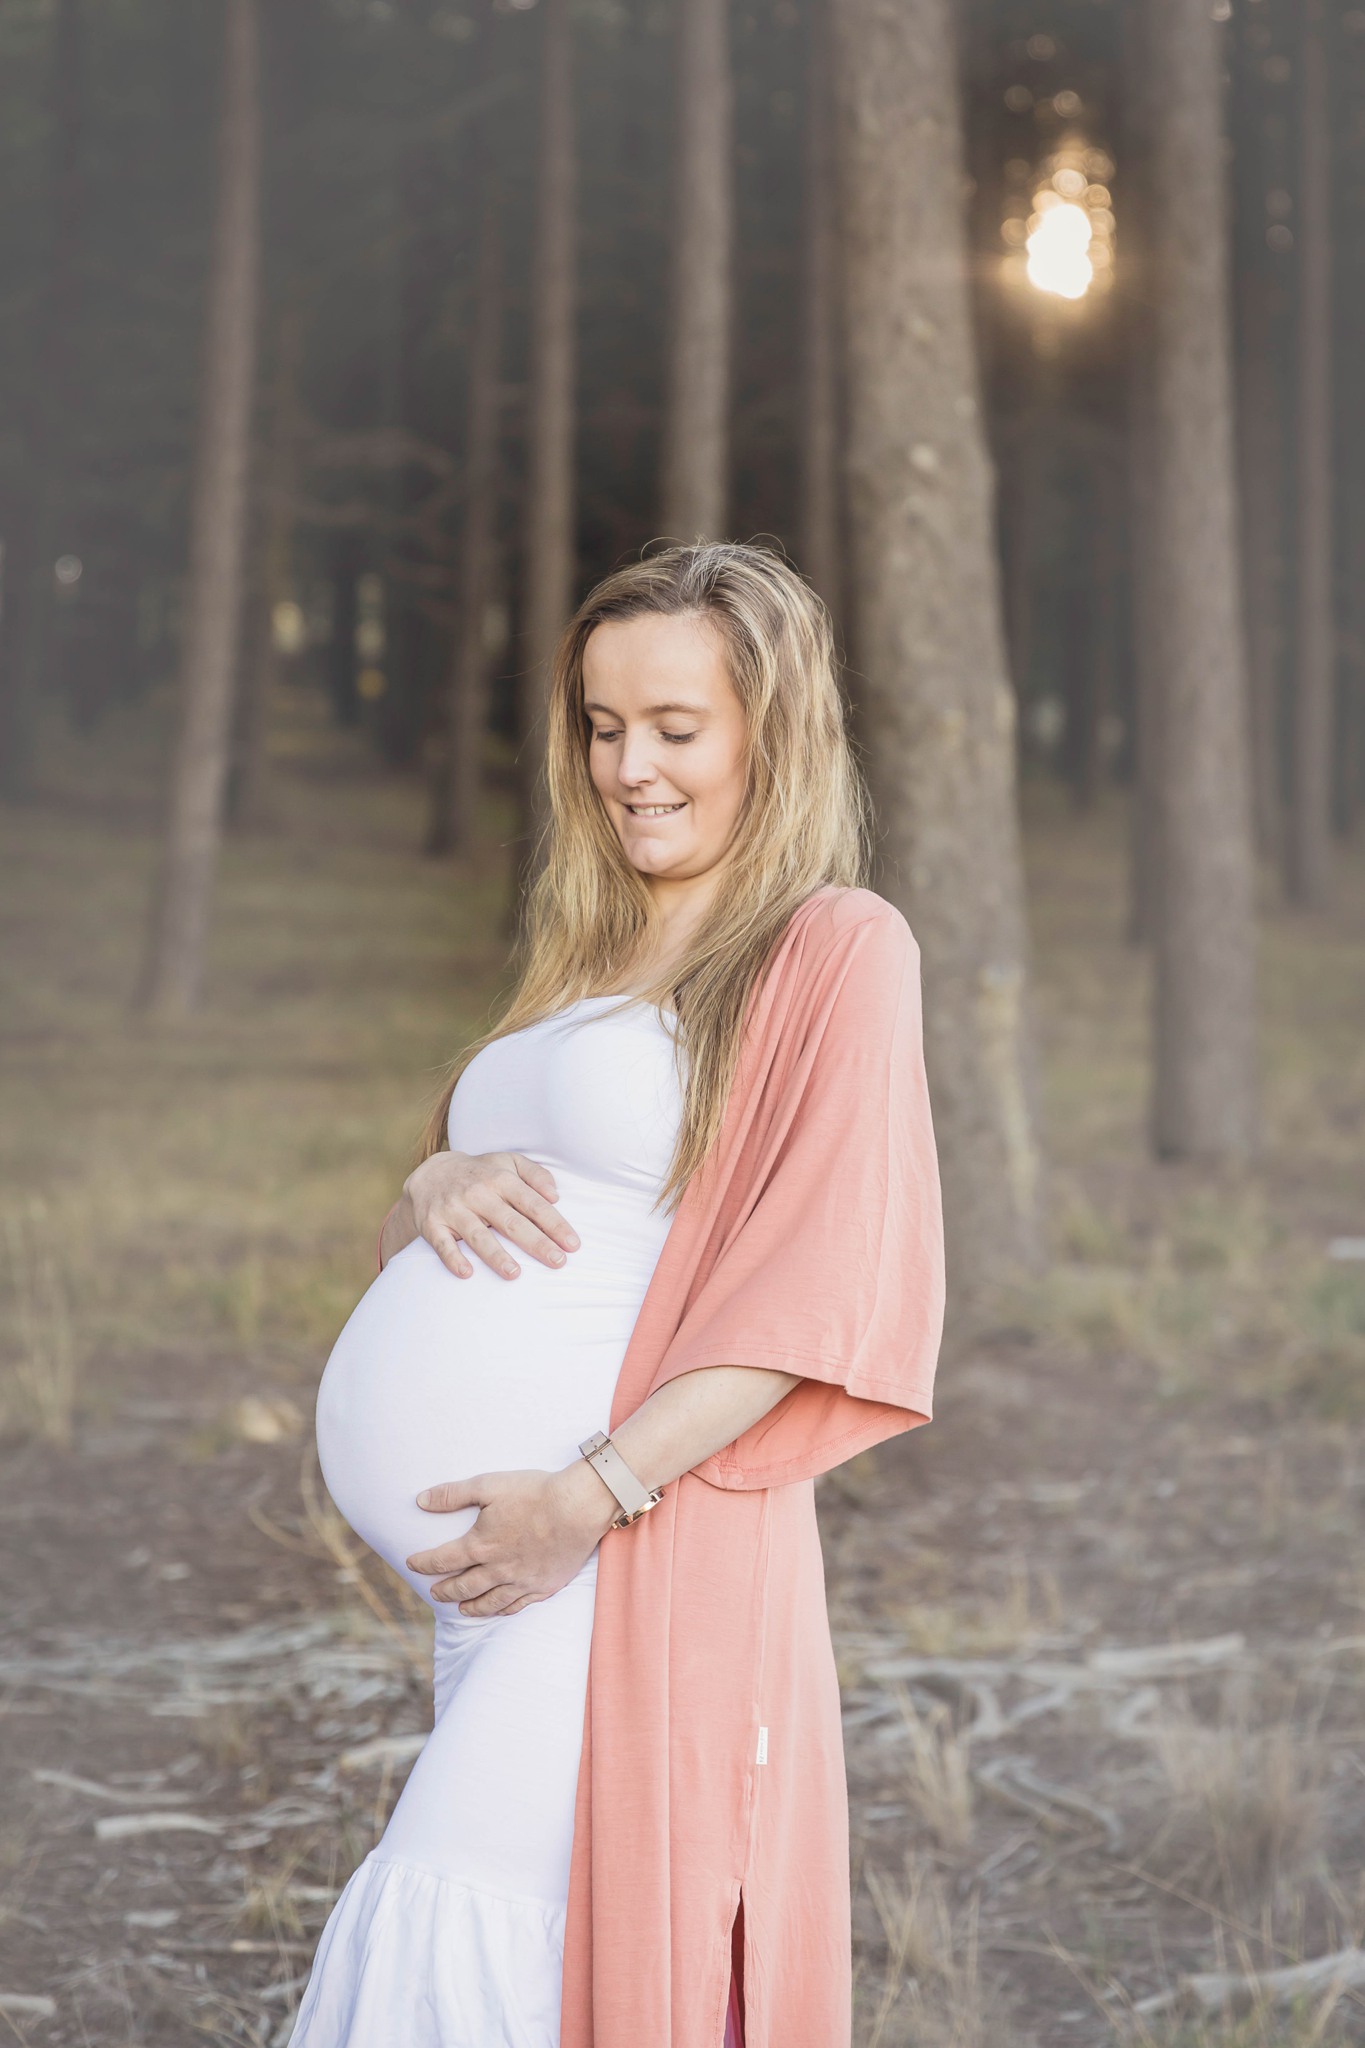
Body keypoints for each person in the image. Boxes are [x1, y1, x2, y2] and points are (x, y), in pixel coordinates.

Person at [289, 541, 945, 2048]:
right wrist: (429, 1185)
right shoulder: (591, 945)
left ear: (768, 735)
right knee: (535, 1963)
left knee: (456, 1912)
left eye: (674, 728)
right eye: (600, 725)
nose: (627, 768)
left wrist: (583, 1498)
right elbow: (455, 1223)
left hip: (621, 1556)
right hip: (501, 1581)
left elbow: (818, 1297)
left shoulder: (829, 947)